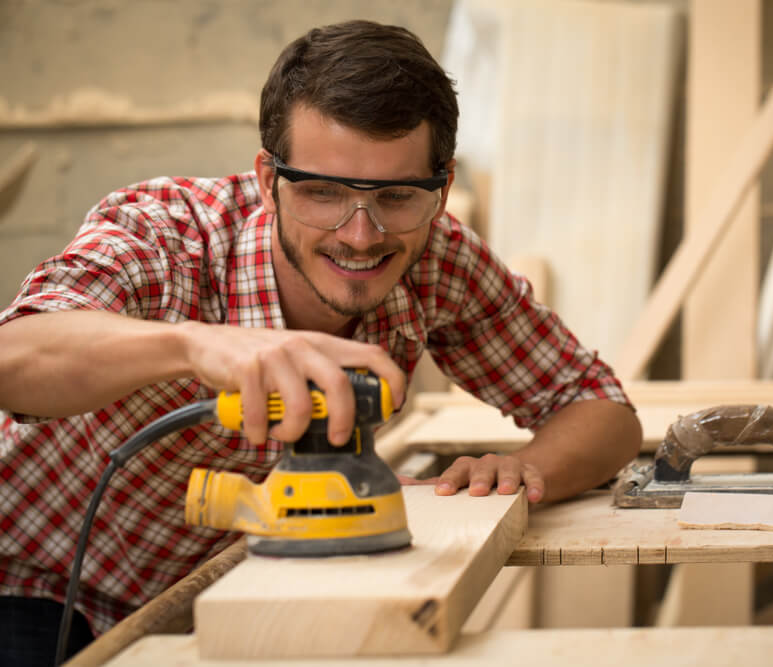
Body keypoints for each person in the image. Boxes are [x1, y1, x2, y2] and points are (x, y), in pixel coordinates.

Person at [0, 20, 641, 664]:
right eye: (322, 192)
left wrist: (529, 470)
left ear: (442, 189)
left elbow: (600, 407)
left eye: (394, 195)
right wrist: (194, 346)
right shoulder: (166, 234)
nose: (360, 235)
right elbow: (14, 359)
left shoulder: (438, 260)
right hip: (35, 577)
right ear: (266, 178)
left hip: (233, 588)